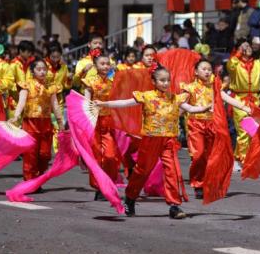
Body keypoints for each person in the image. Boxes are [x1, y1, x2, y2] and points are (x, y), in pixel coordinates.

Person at [96, 66, 211, 219]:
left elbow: (191, 108)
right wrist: (104, 104)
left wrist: (206, 107)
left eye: (167, 80)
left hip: (169, 140)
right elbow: (124, 103)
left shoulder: (174, 98)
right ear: (154, 81)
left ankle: (174, 205)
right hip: (150, 140)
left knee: (172, 171)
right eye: (162, 80)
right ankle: (130, 198)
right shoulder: (147, 96)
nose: (165, 83)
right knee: (142, 171)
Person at [180, 60, 251, 198]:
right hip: (196, 125)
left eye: (209, 69)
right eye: (204, 69)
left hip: (213, 125)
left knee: (212, 156)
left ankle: (209, 182)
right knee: (198, 154)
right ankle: (198, 184)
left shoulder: (214, 87)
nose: (207, 72)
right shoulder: (189, 88)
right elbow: (181, 104)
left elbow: (227, 98)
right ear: (196, 72)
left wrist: (245, 108)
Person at [9, 58, 63, 181]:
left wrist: (60, 122)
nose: (42, 72)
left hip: (46, 123)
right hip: (30, 123)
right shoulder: (26, 85)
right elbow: (21, 103)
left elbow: (55, 105)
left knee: (45, 154)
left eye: (44, 69)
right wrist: (16, 116)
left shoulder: (51, 87)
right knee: (30, 154)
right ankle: (29, 180)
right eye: (39, 69)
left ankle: (38, 177)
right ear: (32, 71)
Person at [226, 39, 260, 163]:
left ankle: (239, 156)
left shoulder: (258, 64)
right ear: (238, 49)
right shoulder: (234, 64)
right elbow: (231, 65)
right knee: (243, 130)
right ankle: (244, 159)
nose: (247, 48)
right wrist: (238, 53)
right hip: (239, 100)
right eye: (244, 46)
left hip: (255, 100)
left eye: (248, 46)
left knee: (253, 130)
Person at [81, 53, 121, 201]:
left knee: (111, 156)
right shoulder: (89, 82)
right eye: (102, 64)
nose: (106, 66)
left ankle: (109, 184)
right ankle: (99, 188)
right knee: (96, 157)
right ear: (95, 65)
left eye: (107, 63)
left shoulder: (114, 81)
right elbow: (86, 102)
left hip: (109, 121)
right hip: (94, 122)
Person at [7, 40, 35, 120]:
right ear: (21, 51)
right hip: (15, 101)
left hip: (28, 100)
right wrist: (20, 89)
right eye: (28, 52)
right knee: (14, 126)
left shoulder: (31, 64)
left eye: (31, 52)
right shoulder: (13, 65)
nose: (30, 54)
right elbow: (9, 82)